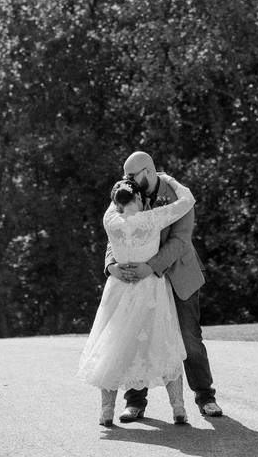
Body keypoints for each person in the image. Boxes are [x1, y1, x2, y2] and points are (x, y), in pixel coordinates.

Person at [105, 151, 222, 422]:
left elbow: (181, 240)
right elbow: (114, 231)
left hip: (178, 274)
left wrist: (152, 266)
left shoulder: (176, 193)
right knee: (137, 338)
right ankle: (134, 403)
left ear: (147, 171)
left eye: (131, 175)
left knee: (189, 338)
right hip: (141, 282)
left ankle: (206, 397)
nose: (126, 180)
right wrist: (111, 264)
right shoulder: (125, 192)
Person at [77, 176, 194, 426]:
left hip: (119, 291)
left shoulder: (111, 221)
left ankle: (107, 411)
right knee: (165, 344)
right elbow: (187, 200)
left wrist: (122, 190)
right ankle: (178, 408)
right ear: (139, 198)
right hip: (149, 290)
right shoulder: (152, 218)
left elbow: (115, 204)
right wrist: (168, 179)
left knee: (114, 347)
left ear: (117, 203)